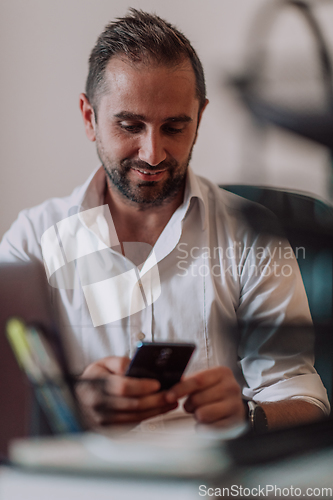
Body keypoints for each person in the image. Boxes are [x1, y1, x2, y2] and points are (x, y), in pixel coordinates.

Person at [0, 9, 329, 433]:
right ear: (89, 119)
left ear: (200, 117)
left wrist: (249, 417)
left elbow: (303, 398)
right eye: (130, 126)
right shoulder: (31, 241)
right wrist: (72, 405)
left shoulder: (253, 235)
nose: (152, 154)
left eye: (174, 127)